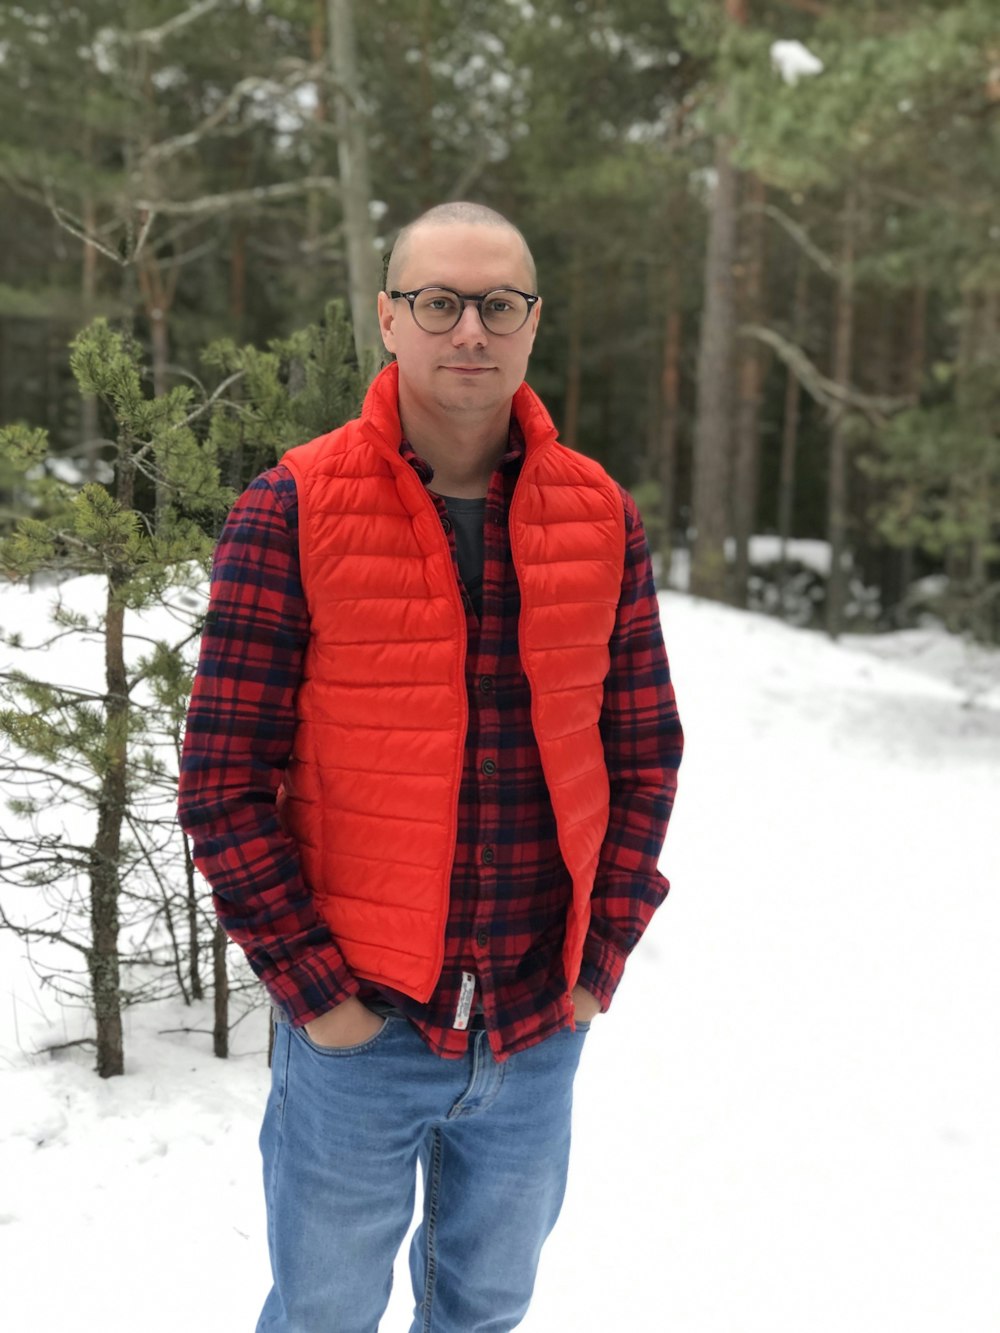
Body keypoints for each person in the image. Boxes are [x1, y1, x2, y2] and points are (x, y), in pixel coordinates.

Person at [178, 201, 683, 1333]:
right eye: (439, 302)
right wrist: (318, 997)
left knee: (484, 1312)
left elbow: (643, 754)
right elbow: (221, 778)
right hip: (363, 1032)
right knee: (324, 1313)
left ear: (531, 324)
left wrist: (596, 961)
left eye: (497, 304)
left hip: (534, 1024)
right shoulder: (293, 504)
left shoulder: (599, 515)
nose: (470, 329)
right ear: (389, 318)